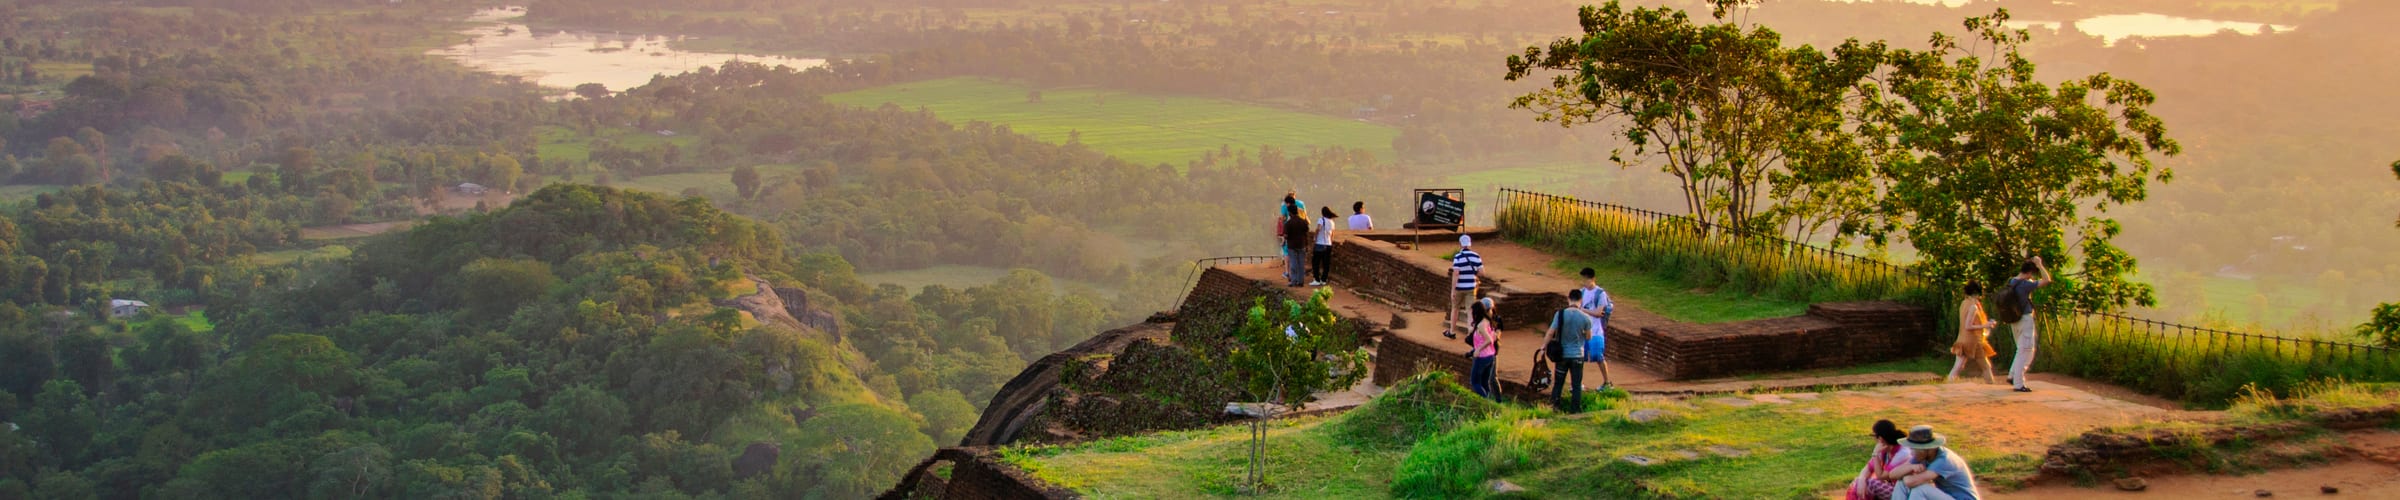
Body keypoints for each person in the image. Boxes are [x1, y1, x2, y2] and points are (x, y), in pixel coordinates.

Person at [1893, 425, 1980, 500]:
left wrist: (1905, 474)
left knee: (1920, 489)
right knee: (1901, 483)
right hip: (1949, 497)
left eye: (1913, 448)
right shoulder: (1923, 455)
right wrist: (1910, 468)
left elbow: (1910, 482)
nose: (1911, 452)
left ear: (1926, 448)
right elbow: (1893, 474)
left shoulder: (1944, 460)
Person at [2005, 257, 2052, 392]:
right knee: (2025, 351)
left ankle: (2013, 375)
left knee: (2021, 349)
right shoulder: (2025, 284)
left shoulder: (2012, 281)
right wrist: (2040, 264)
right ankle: (2018, 383)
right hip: (2025, 318)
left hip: (2014, 319)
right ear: (2030, 272)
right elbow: (2047, 280)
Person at [1545, 290, 1593, 413]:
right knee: (1576, 384)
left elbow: (1551, 332)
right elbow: (1588, 337)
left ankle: (1554, 407)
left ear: (1568, 299)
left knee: (1558, 383)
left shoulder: (1560, 314)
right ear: (1580, 300)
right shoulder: (1585, 318)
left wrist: (1543, 346)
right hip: (1577, 355)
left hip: (1562, 355)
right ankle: (1575, 410)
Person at [1846, 420, 1917, 500]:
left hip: (1904, 491)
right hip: (1892, 487)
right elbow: (1868, 468)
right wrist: (1861, 479)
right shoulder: (1884, 449)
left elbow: (1881, 476)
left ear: (1880, 438)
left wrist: (1875, 454)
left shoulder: (1902, 453)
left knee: (1870, 484)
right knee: (1858, 483)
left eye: (1874, 436)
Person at [1948, 282, 2000, 384]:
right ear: (1977, 293)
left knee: (1958, 367)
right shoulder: (1973, 307)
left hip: (1962, 339)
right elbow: (1968, 326)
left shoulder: (1964, 303)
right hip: (1974, 341)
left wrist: (1985, 324)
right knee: (1985, 366)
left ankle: (1949, 384)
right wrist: (1986, 326)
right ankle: (1991, 385)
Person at [1576, 268, 1615, 387]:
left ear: (1593, 279)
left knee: (1598, 356)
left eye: (1586, 279)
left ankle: (1607, 382)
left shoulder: (1600, 293)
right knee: (1579, 358)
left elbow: (1599, 313)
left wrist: (1583, 310)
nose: (1584, 282)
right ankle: (1578, 383)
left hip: (1596, 330)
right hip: (1583, 330)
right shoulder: (1581, 292)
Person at [1446, 235, 1483, 339]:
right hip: (1471, 287)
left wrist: (1453, 290)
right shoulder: (1476, 256)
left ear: (1460, 244)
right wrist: (1473, 275)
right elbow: (1482, 272)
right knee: (1470, 311)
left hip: (1459, 287)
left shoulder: (1458, 257)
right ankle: (1470, 332)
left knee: (1455, 308)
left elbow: (1456, 273)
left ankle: (1452, 331)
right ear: (1469, 244)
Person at [1466, 299, 1502, 402]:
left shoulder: (1481, 325)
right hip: (1490, 356)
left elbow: (1489, 340)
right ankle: (1489, 401)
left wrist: (1478, 349)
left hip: (1482, 357)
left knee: (1475, 382)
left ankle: (1486, 402)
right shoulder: (1487, 322)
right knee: (1484, 383)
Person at [1281, 203, 1312, 287]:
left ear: (1290, 213)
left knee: (1293, 263)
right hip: (1301, 245)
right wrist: (1306, 245)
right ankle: (1300, 281)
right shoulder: (1303, 222)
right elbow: (1306, 234)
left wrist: (1283, 242)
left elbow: (1286, 236)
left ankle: (1294, 281)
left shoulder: (1288, 224)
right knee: (1301, 264)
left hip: (1292, 246)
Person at [1310, 207, 1336, 286]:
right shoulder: (1332, 222)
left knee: (1316, 262)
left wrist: (1315, 238)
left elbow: (1318, 229)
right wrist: (1331, 242)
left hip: (1320, 243)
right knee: (1326, 263)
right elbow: (1332, 233)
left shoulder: (1321, 220)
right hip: (1328, 244)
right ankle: (1324, 279)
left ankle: (1317, 279)